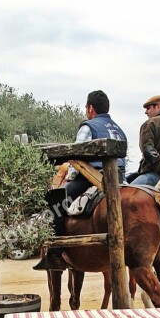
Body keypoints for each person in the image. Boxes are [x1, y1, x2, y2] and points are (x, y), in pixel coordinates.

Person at [33, 90, 127, 271]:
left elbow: (76, 157)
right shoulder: (118, 129)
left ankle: (55, 253)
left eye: (86, 107)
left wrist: (70, 176)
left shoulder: (88, 127)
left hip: (93, 177)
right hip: (118, 177)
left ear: (90, 108)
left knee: (55, 200)